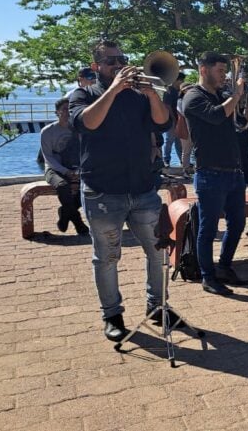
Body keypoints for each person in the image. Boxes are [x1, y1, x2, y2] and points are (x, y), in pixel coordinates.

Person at [68, 40, 172, 342]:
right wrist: (113, 89)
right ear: (97, 65)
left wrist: (151, 93)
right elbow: (86, 123)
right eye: (112, 61)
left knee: (157, 252)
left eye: (122, 59)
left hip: (142, 188)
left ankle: (157, 308)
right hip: (103, 191)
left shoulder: (139, 96)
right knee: (107, 257)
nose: (119, 64)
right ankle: (112, 315)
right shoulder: (83, 94)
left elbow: (163, 122)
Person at [182, 52, 248, 296]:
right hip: (210, 172)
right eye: (220, 71)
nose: (225, 76)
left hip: (233, 171)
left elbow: (239, 120)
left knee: (238, 223)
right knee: (208, 228)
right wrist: (237, 94)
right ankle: (208, 277)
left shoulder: (221, 95)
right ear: (203, 70)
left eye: (225, 71)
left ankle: (225, 266)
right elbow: (216, 116)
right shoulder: (193, 97)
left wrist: (240, 98)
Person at [40, 97, 89, 235]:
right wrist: (65, 171)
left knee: (90, 186)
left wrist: (78, 170)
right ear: (57, 112)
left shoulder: (78, 131)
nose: (68, 112)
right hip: (54, 168)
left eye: (70, 109)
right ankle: (78, 222)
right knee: (62, 186)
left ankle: (65, 212)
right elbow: (48, 157)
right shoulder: (47, 131)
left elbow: (84, 152)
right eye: (64, 109)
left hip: (75, 167)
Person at [162, 72, 186, 167]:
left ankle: (182, 160)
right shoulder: (169, 90)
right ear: (177, 80)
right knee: (169, 140)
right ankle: (166, 160)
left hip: (179, 119)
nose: (182, 82)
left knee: (178, 141)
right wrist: (173, 119)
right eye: (181, 80)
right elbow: (167, 106)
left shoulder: (179, 91)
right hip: (171, 120)